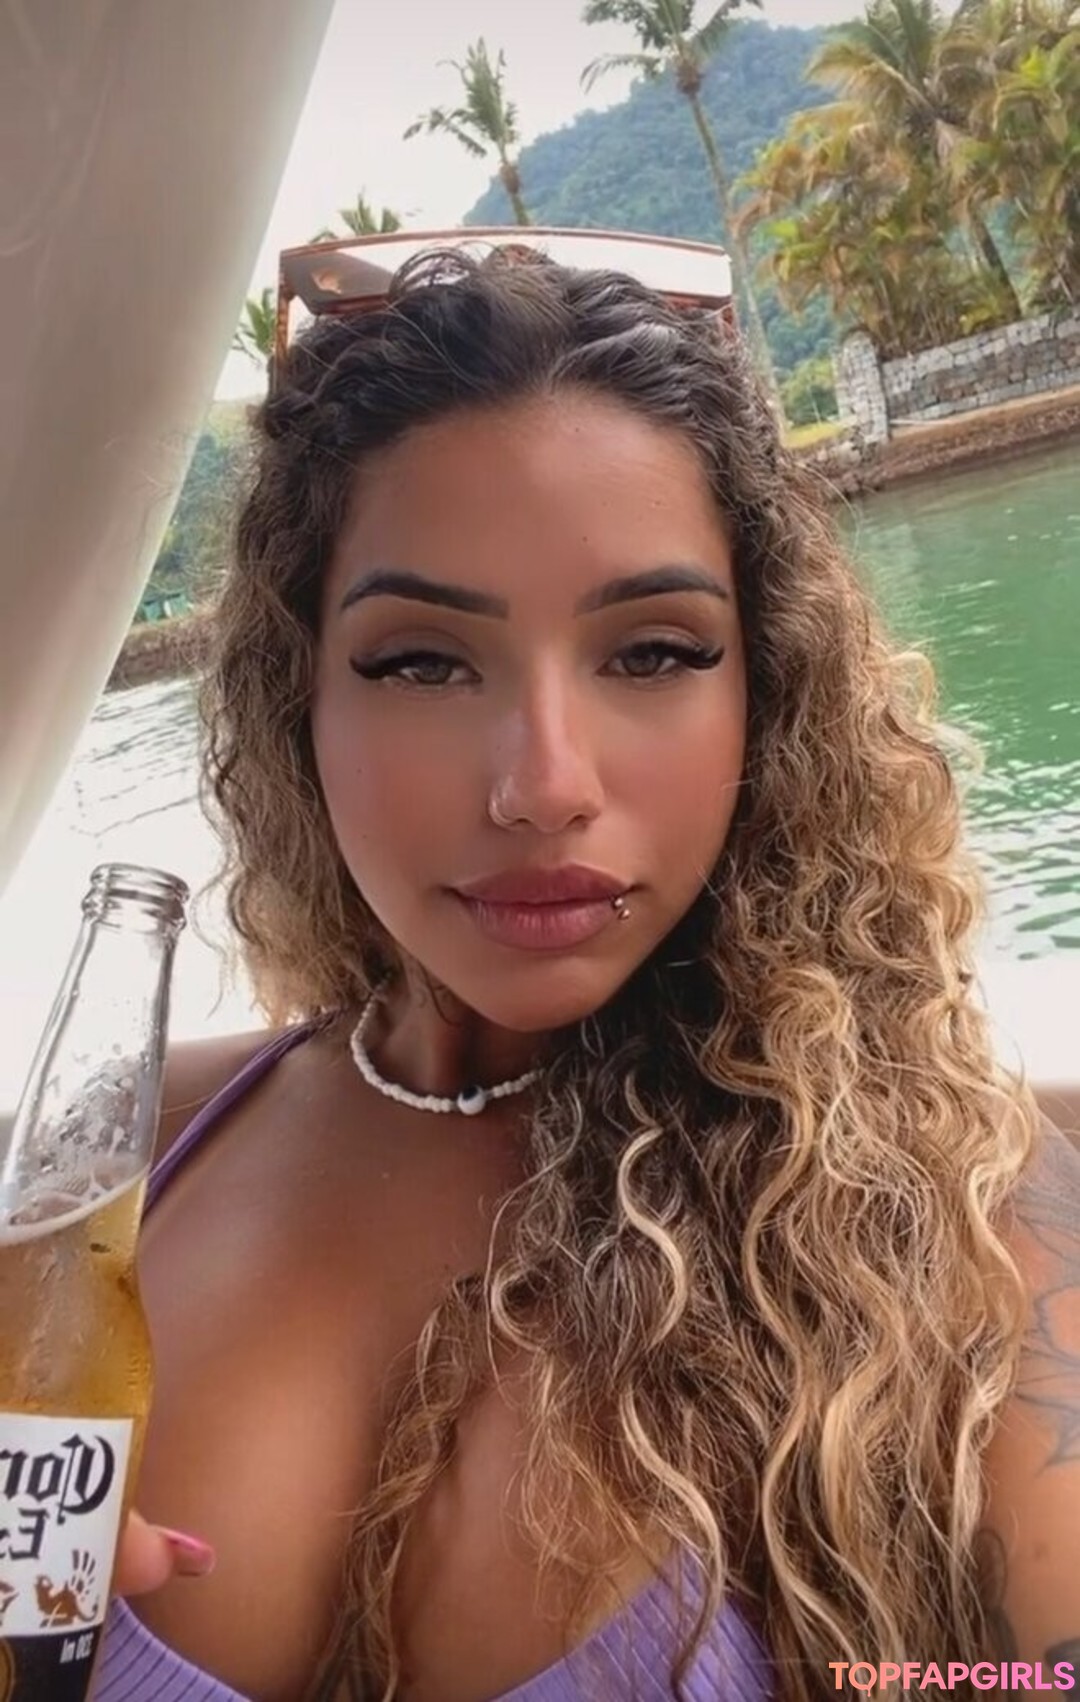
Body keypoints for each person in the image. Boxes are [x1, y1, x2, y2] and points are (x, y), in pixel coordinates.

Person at [90, 242, 1080, 1702]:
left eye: (654, 651)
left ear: (766, 689)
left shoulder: (958, 1219)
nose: (545, 784)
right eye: (424, 662)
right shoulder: (109, 1169)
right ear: (299, 696)